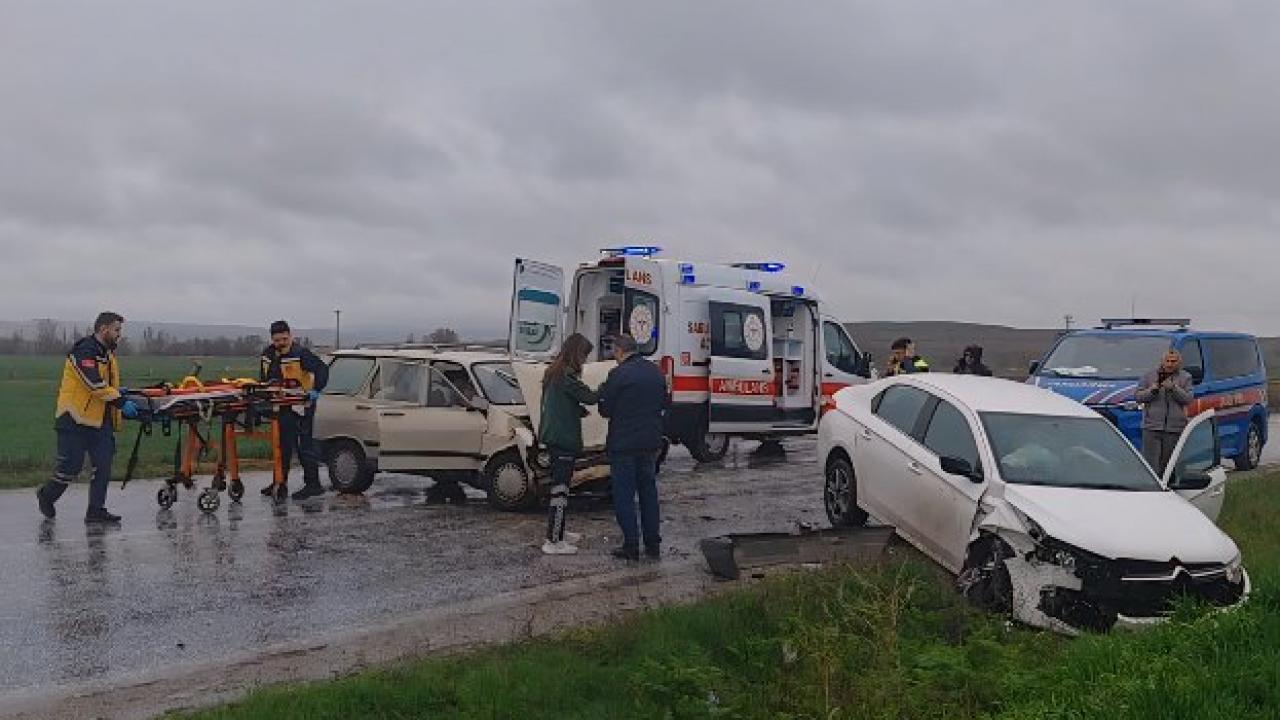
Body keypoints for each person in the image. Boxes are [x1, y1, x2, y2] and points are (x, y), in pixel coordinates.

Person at [37, 312, 139, 523]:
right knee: (70, 467)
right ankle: (46, 495)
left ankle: (96, 511)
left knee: (103, 465)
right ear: (104, 330)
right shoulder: (83, 351)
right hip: (74, 418)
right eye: (117, 330)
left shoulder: (107, 353)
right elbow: (93, 383)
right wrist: (120, 401)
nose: (119, 335)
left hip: (99, 420)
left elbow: (106, 384)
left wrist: (120, 391)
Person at [598, 334, 668, 561]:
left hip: (624, 444)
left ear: (619, 351)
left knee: (624, 495)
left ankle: (631, 545)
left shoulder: (618, 374)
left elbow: (605, 410)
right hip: (650, 443)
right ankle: (653, 544)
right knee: (648, 492)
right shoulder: (656, 372)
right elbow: (665, 403)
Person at [537, 333, 598, 555]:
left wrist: (575, 409)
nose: (584, 361)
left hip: (554, 437)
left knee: (561, 488)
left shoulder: (553, 372)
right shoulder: (567, 376)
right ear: (576, 353)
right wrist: (610, 385)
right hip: (563, 440)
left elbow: (556, 402)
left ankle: (559, 531)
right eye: (584, 355)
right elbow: (590, 396)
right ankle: (553, 541)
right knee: (561, 490)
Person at [258, 320, 330, 500]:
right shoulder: (267, 355)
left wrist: (316, 390)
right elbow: (263, 379)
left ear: (290, 336)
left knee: (304, 445)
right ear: (272, 340)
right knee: (281, 446)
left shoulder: (301, 354)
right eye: (277, 340)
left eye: (284, 339)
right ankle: (279, 481)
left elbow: (322, 369)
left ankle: (313, 484)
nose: (281, 343)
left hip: (301, 406)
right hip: (281, 406)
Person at [1135, 349, 1194, 475]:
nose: (1170, 364)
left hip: (1174, 428)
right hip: (1152, 426)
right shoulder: (1149, 375)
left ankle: (1167, 486)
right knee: (1150, 463)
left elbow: (1188, 399)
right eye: (1167, 361)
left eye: (1173, 361)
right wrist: (1153, 390)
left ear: (1179, 362)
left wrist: (1173, 388)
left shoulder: (1185, 377)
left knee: (1168, 464)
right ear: (1162, 361)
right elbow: (1138, 396)